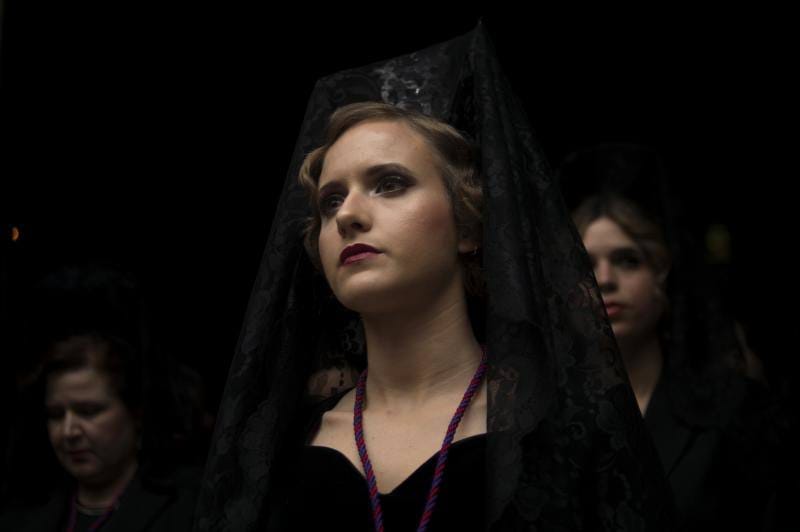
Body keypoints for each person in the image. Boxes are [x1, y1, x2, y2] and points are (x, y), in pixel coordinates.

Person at [194, 24, 674, 531]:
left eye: (390, 184)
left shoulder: (565, 432)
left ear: (468, 224)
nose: (348, 215)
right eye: (331, 199)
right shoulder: (278, 450)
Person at [561, 144, 782, 531]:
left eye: (628, 260)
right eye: (586, 265)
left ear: (663, 275)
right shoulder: (546, 418)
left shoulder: (733, 408)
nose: (606, 280)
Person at [0, 266, 202, 532]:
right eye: (55, 414)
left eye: (89, 411)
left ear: (136, 411)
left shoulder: (190, 507)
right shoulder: (21, 514)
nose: (69, 431)